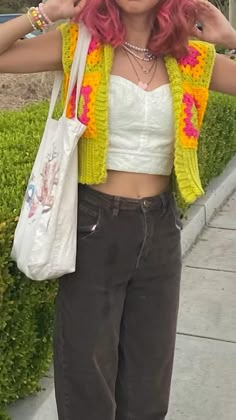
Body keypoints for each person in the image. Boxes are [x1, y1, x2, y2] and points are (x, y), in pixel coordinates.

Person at [1, 1, 236, 419]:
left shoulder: (193, 57)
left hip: (161, 228)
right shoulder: (79, 45)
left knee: (150, 380)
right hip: (95, 225)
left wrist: (231, 40)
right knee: (86, 376)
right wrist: (43, 14)